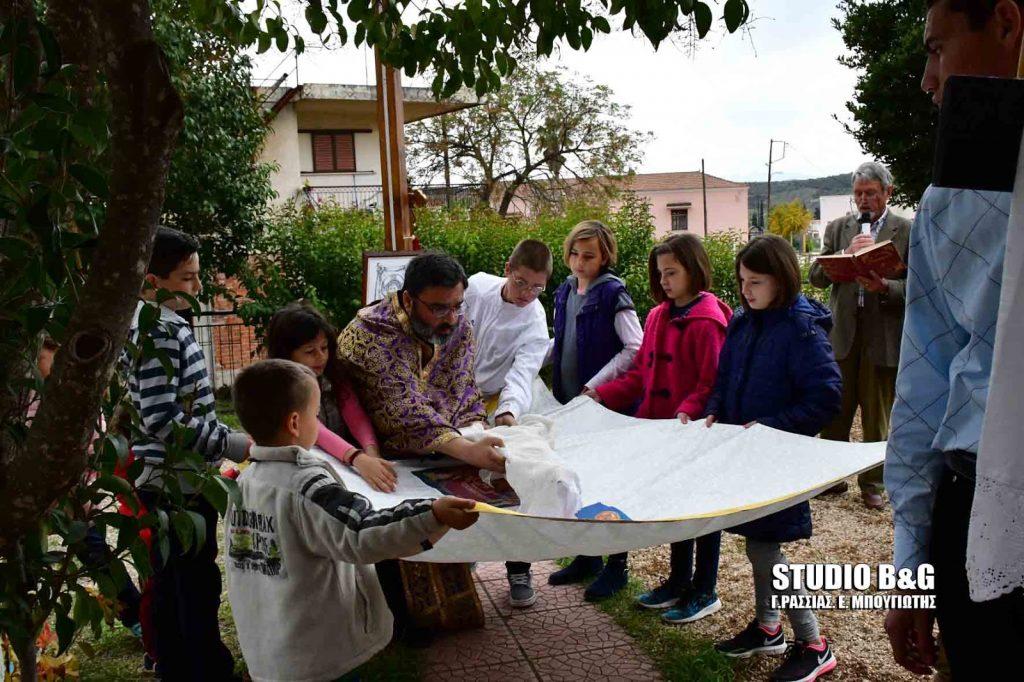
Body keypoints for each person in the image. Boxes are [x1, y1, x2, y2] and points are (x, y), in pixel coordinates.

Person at [884, 1, 1024, 676]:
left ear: (1005, 25)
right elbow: (924, 387)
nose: (926, 80)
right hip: (975, 510)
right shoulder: (951, 198)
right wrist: (909, 567)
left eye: (938, 50)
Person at [225, 359, 479, 681]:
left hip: (270, 651)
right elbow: (362, 532)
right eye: (315, 414)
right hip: (320, 659)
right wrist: (432, 513)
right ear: (294, 422)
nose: (317, 422)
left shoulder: (245, 484)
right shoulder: (306, 486)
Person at [707, 235, 842, 682]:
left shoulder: (802, 330)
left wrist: (772, 427)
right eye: (742, 281)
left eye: (756, 282)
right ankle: (768, 628)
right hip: (745, 455)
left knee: (767, 546)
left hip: (776, 459)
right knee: (758, 544)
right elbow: (725, 376)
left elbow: (825, 398)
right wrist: (714, 409)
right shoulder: (745, 322)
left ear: (781, 280)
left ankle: (814, 643)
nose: (745, 291)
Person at [125, 226, 250, 680]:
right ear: (150, 282)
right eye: (186, 279)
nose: (198, 289)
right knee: (192, 583)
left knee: (176, 580)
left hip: (174, 477)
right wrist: (236, 444)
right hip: (175, 482)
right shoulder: (157, 332)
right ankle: (202, 669)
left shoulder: (161, 325)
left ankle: (178, 665)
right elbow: (162, 419)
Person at [587, 234, 732, 621]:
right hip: (657, 431)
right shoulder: (655, 316)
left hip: (691, 433)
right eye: (660, 273)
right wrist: (603, 394)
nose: (664, 280)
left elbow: (712, 382)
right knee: (673, 508)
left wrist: (685, 412)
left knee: (702, 513)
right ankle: (677, 581)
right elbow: (640, 375)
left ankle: (705, 589)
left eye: (672, 272)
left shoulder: (708, 322)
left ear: (694, 270)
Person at [337, 252, 506, 471]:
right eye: (439, 308)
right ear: (408, 300)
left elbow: (464, 390)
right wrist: (468, 450)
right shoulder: (370, 336)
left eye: (458, 306)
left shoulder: (459, 328)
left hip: (448, 451)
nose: (452, 319)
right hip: (376, 459)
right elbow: (404, 412)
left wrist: (477, 428)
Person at [546, 220, 642, 598]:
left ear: (605, 257)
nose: (579, 262)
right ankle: (588, 556)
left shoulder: (613, 293)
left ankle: (617, 566)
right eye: (574, 253)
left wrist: (597, 387)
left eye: (589, 256)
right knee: (579, 480)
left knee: (611, 483)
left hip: (604, 408)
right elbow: (562, 338)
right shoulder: (566, 290)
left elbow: (635, 347)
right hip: (569, 405)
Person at [809, 162, 911, 509]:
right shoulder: (839, 228)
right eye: (858, 194)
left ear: (888, 193)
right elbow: (816, 277)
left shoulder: (906, 230)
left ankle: (873, 484)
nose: (864, 200)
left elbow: (918, 287)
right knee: (836, 408)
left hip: (882, 332)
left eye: (871, 193)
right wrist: (844, 254)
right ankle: (832, 479)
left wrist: (886, 286)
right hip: (844, 332)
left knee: (876, 413)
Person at [464, 239, 553, 608]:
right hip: (459, 393)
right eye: (521, 283)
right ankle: (462, 554)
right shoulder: (475, 287)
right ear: (506, 269)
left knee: (511, 479)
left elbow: (524, 370)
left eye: (537, 287)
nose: (527, 294)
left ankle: (519, 567)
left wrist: (508, 414)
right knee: (463, 478)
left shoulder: (534, 318)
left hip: (502, 397)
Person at [266, 302, 396, 492]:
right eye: (310, 351)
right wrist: (356, 458)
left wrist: (371, 452)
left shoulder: (332, 374)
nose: (321, 357)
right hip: (300, 476)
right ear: (287, 355)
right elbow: (314, 429)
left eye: (324, 348)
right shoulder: (280, 388)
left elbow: (354, 414)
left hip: (341, 466)